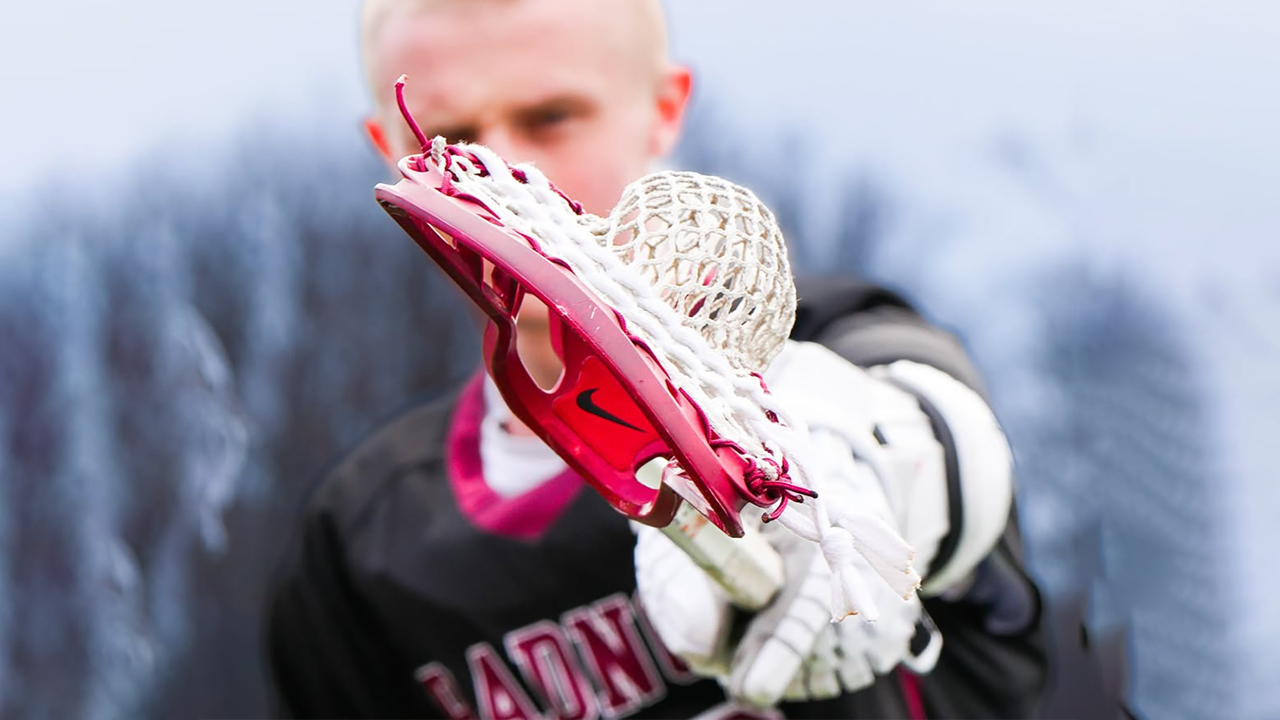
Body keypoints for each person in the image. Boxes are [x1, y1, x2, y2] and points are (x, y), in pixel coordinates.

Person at [266, 0, 1047, 717]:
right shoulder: (356, 545)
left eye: (551, 117)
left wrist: (850, 471)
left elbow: (932, 437)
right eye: (455, 141)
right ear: (390, 149)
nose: (504, 179)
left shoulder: (818, 343)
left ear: (663, 109)